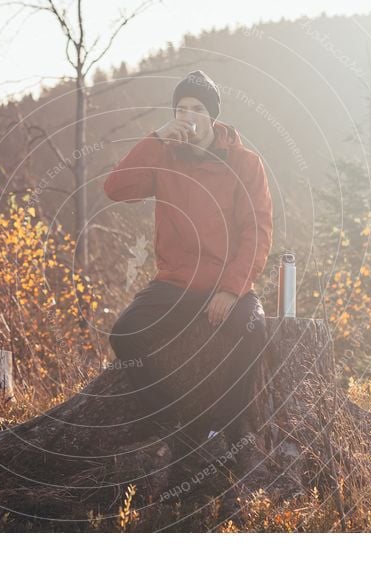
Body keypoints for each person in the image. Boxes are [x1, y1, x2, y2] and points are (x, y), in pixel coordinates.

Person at [102, 70, 274, 494]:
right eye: (181, 109)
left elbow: (258, 231)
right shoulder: (166, 155)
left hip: (228, 281)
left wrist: (232, 289)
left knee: (252, 330)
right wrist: (158, 138)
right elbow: (115, 188)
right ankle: (178, 425)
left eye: (197, 109)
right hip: (175, 281)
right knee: (125, 334)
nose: (188, 116)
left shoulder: (245, 162)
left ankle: (230, 432)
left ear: (213, 117)